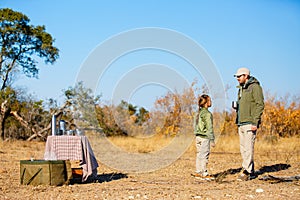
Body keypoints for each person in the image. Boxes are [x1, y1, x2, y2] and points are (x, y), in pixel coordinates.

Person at [233, 67, 264, 181]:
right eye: (236, 76)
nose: (237, 78)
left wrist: (255, 121)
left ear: (246, 76)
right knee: (243, 148)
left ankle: (247, 171)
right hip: (241, 122)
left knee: (248, 147)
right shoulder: (241, 88)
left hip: (250, 122)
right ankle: (249, 170)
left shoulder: (255, 87)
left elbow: (259, 104)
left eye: (239, 76)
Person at [193, 94, 215, 180]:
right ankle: (204, 173)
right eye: (210, 100)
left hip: (198, 136)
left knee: (199, 154)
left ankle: (198, 172)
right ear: (206, 103)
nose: (211, 102)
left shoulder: (198, 113)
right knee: (204, 154)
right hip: (205, 137)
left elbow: (194, 125)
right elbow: (209, 127)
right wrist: (212, 139)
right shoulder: (207, 114)